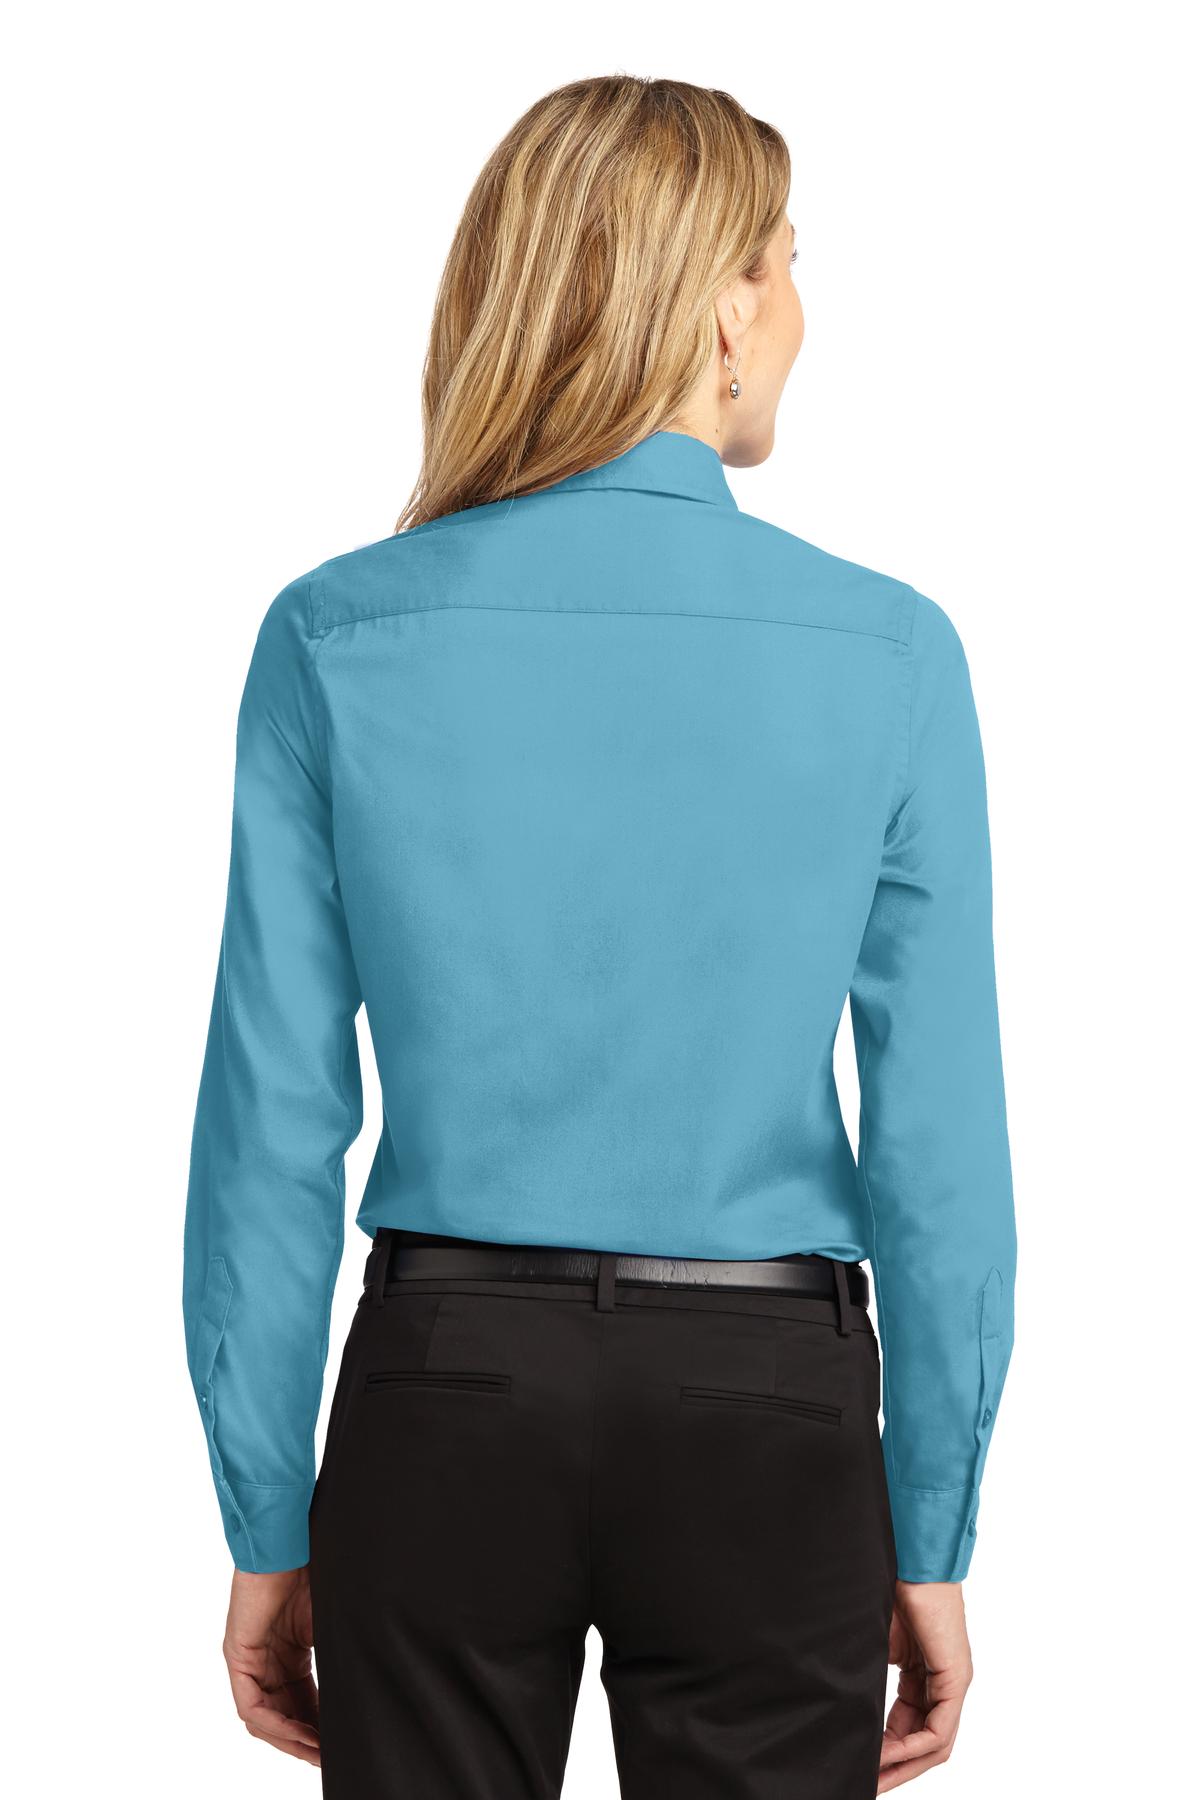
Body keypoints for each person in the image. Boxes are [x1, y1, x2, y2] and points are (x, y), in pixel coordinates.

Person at [183, 74, 1016, 1799]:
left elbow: (270, 1126)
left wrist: (267, 1519)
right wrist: (929, 1527)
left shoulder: (336, 635)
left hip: (444, 1394)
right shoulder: (889, 654)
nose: (802, 313)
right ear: (723, 310)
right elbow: (938, 1146)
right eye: (790, 263)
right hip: (768, 1408)